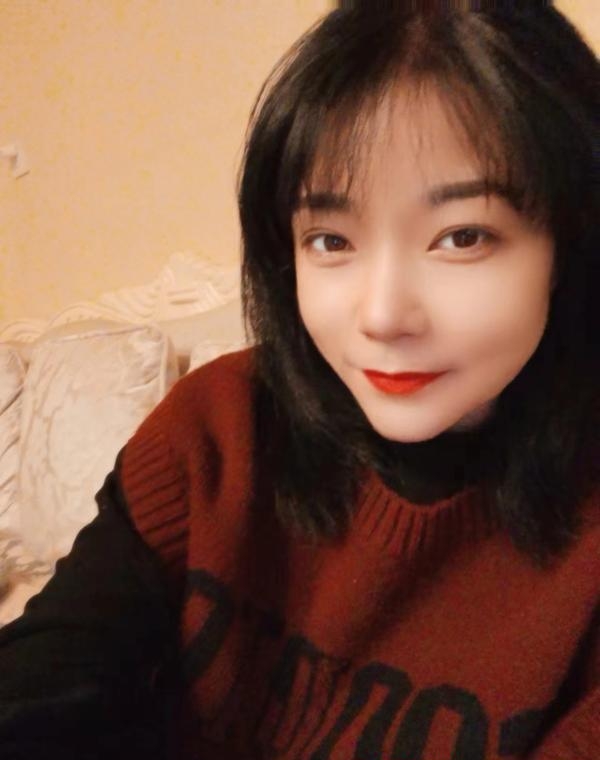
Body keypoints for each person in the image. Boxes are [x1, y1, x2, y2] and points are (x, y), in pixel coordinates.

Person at [0, 2, 598, 758]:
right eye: (331, 240)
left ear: (569, 245)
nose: (382, 316)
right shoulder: (220, 426)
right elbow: (48, 677)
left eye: (462, 236)